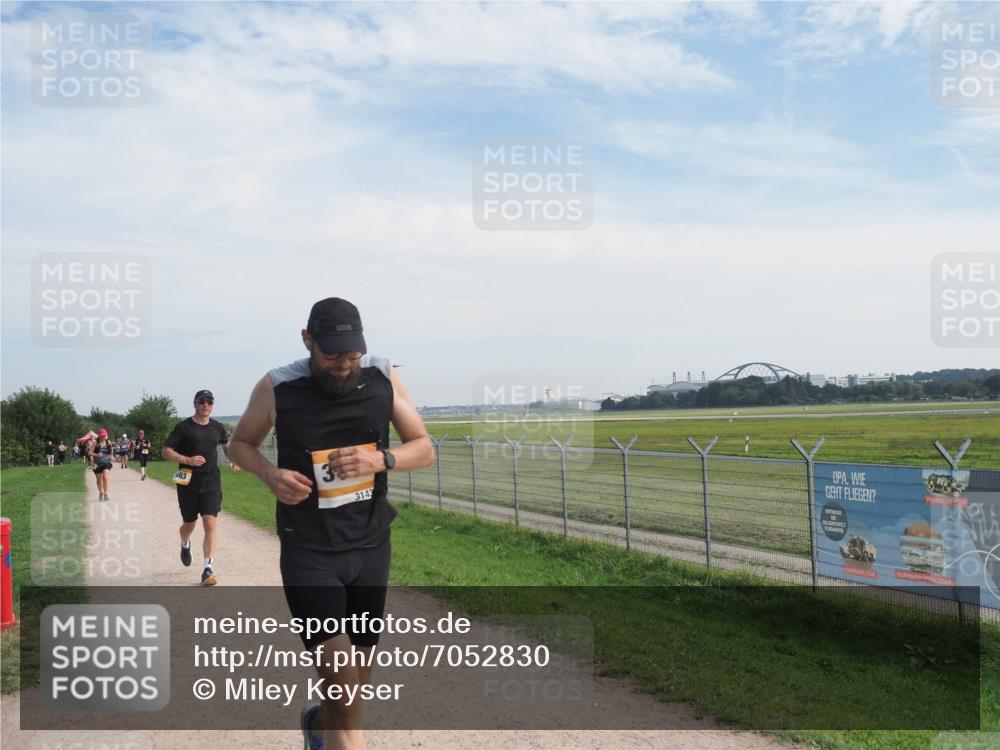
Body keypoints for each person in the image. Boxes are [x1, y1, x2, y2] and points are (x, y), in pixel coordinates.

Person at [227, 297, 434, 750]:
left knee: (353, 683)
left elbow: (424, 446)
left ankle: (319, 727)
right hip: (309, 550)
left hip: (370, 545)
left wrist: (380, 459)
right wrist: (270, 474)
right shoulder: (279, 387)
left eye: (352, 355)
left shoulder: (382, 376)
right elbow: (239, 443)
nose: (344, 365)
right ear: (307, 339)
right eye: (332, 355)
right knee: (342, 682)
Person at [162, 390, 233, 586]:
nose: (205, 405)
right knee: (189, 524)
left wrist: (233, 458)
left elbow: (226, 445)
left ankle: (207, 569)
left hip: (211, 483)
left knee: (210, 523)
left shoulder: (217, 427)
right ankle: (185, 543)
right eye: (202, 401)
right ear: (195, 403)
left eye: (209, 401)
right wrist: (187, 460)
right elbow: (166, 451)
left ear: (212, 405)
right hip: (187, 483)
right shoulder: (184, 428)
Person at [88, 429, 113, 501]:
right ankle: (101, 492)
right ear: (99, 435)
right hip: (97, 464)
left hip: (106, 463)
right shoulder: (95, 443)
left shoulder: (108, 442)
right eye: (102, 435)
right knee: (99, 480)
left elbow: (111, 451)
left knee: (105, 477)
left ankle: (106, 493)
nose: (103, 436)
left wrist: (112, 455)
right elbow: (89, 453)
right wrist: (96, 454)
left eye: (104, 435)